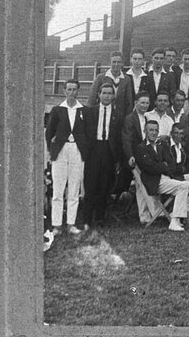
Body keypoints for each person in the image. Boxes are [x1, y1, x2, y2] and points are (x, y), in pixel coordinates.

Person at [135, 120, 189, 232]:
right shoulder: (141, 148)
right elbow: (151, 168)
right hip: (155, 182)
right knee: (183, 187)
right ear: (145, 131)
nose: (153, 133)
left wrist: (162, 166)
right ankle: (175, 221)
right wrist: (163, 165)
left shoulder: (161, 145)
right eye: (151, 130)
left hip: (167, 178)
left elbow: (171, 163)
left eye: (156, 130)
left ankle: (174, 214)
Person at [46, 78, 89, 235]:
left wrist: (83, 149)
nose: (71, 92)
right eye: (69, 89)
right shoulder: (57, 110)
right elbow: (49, 132)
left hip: (77, 151)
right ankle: (56, 224)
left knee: (74, 189)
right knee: (58, 189)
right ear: (64, 91)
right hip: (60, 151)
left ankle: (71, 223)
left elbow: (87, 133)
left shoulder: (83, 110)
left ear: (78, 91)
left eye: (74, 89)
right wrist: (53, 150)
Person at [80, 82, 122, 229]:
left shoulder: (118, 115)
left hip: (108, 151)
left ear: (113, 96)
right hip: (93, 150)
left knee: (104, 186)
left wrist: (116, 158)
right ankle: (86, 219)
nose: (106, 96)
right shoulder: (90, 112)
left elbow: (118, 139)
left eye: (109, 93)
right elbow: (84, 133)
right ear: (99, 95)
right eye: (104, 93)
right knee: (90, 185)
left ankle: (99, 218)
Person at [115, 48, 147, 116]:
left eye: (139, 59)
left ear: (143, 60)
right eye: (135, 59)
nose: (137, 61)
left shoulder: (147, 77)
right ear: (131, 60)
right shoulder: (124, 76)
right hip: (126, 113)